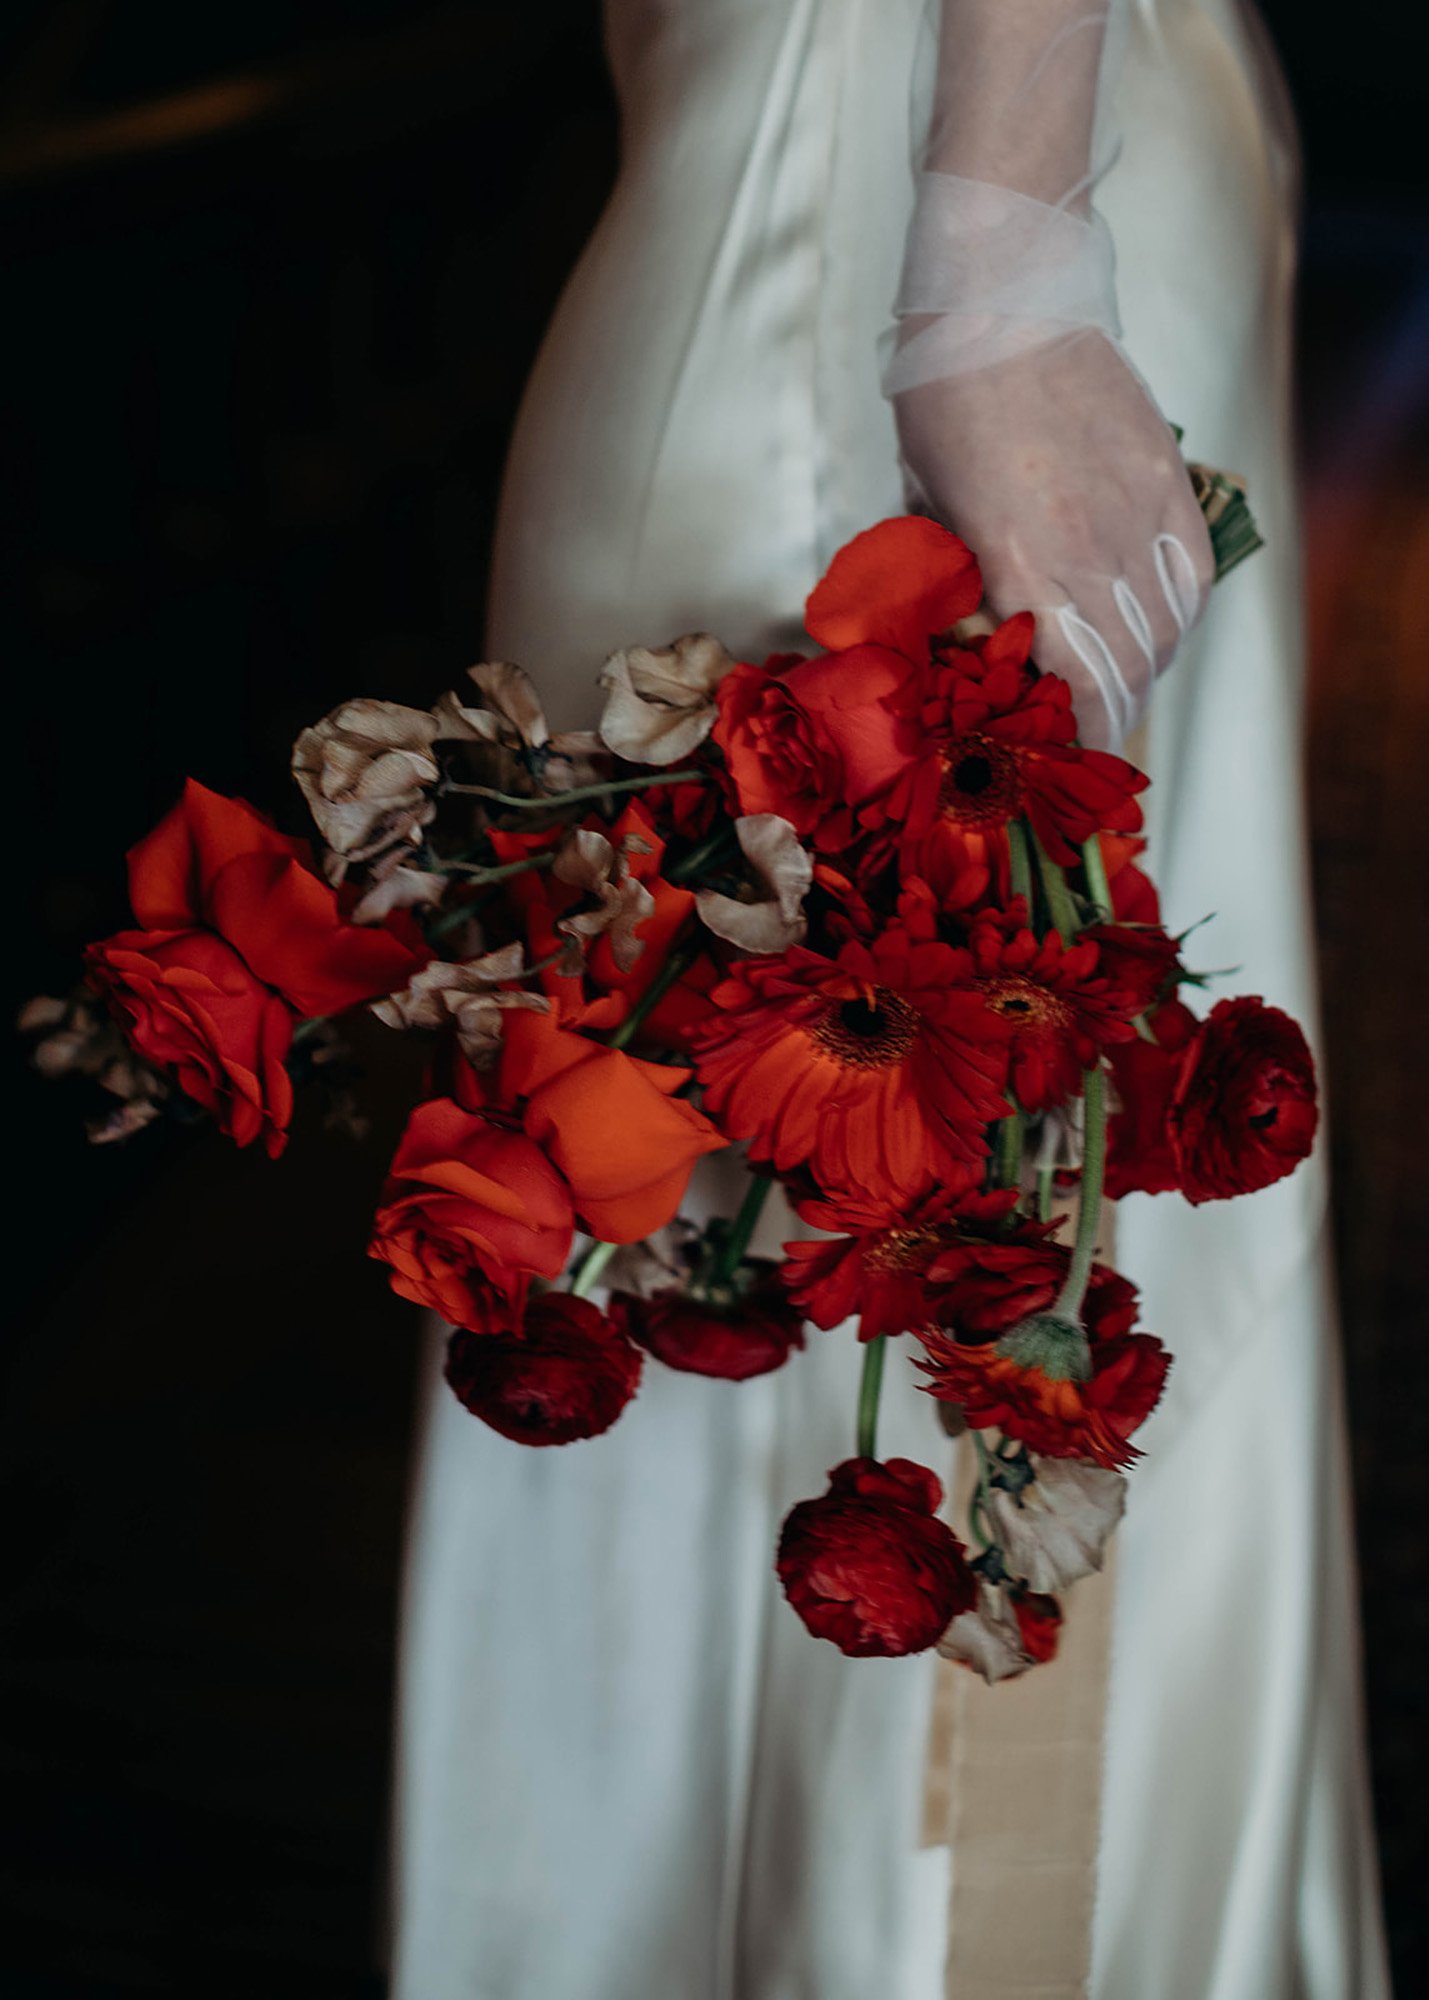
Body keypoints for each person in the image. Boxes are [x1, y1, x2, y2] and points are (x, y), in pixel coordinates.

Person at [389, 4, 1389, 1994]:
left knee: (923, 1194)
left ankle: (935, 1937)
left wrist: (996, 256)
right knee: (741, 1154)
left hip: (897, 172)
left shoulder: (959, 247)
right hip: (892, 140)